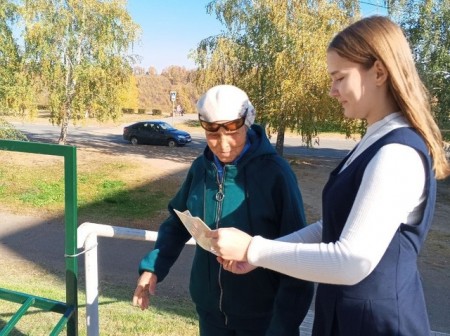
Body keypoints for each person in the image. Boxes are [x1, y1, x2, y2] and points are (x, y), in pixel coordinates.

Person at [207, 16, 450, 336]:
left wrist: (254, 249)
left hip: (379, 325)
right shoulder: (375, 140)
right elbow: (332, 227)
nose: (333, 91)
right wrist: (259, 254)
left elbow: (352, 261)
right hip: (349, 317)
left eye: (340, 77)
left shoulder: (397, 153)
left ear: (378, 71)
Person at [132, 84, 314, 336]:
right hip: (211, 316)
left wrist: (283, 326)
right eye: (213, 135)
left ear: (248, 122)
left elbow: (296, 255)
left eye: (232, 132)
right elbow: (177, 223)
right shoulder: (201, 169)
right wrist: (153, 268)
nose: (223, 144)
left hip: (264, 319)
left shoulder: (276, 174)